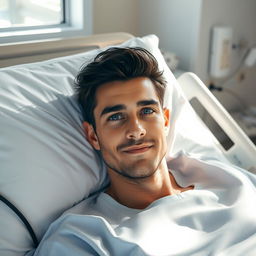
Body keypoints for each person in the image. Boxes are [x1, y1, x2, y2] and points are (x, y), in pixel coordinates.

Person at [33, 47, 256, 256]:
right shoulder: (82, 237)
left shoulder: (229, 178)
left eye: (147, 111)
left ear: (165, 120)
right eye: (116, 117)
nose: (136, 130)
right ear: (93, 136)